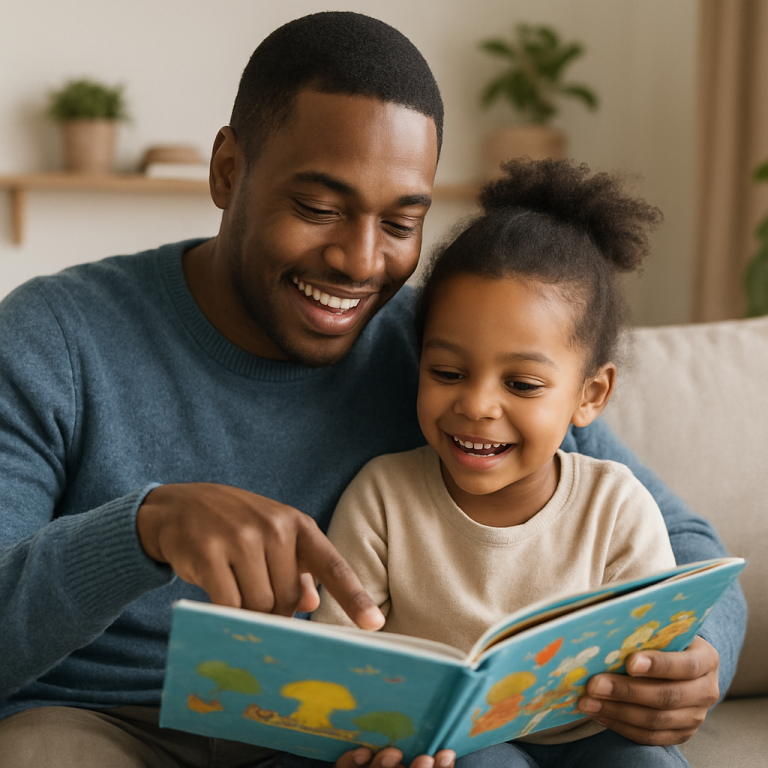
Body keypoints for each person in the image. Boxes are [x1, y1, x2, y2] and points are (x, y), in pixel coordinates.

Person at [0, 11, 745, 768]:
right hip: (103, 725)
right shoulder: (54, 339)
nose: (360, 263)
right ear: (229, 170)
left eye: (399, 222)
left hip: (327, 741)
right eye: (319, 208)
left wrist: (692, 662)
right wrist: (142, 530)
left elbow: (684, 547)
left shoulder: (447, 350)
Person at [312, 158, 689, 768]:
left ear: (590, 395)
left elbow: (655, 656)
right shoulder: (384, 495)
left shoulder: (616, 505)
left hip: (591, 734)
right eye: (448, 373)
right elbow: (338, 656)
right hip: (452, 747)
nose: (477, 405)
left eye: (522, 383)